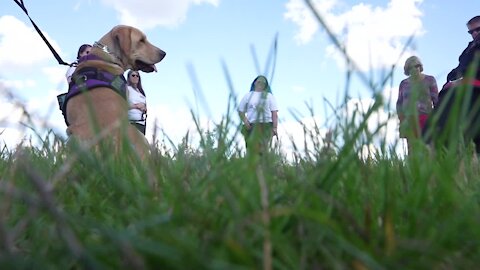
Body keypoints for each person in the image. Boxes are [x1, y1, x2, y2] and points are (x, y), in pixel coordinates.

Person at [396, 56, 439, 154]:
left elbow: (436, 100)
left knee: (429, 148)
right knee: (412, 150)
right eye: (412, 67)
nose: (415, 69)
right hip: (409, 119)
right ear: (408, 70)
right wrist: (402, 120)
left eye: (417, 66)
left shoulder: (430, 80)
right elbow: (399, 104)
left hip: (426, 117)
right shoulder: (403, 84)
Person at [238, 75, 279, 155]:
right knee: (251, 149)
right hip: (251, 125)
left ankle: (263, 166)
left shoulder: (269, 96)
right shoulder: (248, 96)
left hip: (266, 125)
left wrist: (274, 128)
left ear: (266, 85)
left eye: (263, 83)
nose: (260, 84)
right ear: (255, 83)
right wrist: (246, 122)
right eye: (259, 82)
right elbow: (241, 111)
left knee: (263, 149)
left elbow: (274, 113)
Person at [444, 16, 480, 89]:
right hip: (462, 87)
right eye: (471, 32)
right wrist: (450, 79)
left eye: (478, 29)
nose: (474, 33)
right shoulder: (468, 49)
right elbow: (461, 66)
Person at [126, 70, 147, 135]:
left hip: (141, 123)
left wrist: (144, 108)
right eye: (133, 75)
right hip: (131, 123)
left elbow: (145, 109)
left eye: (137, 76)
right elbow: (122, 105)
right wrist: (136, 106)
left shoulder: (141, 92)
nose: (135, 77)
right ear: (129, 77)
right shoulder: (127, 88)